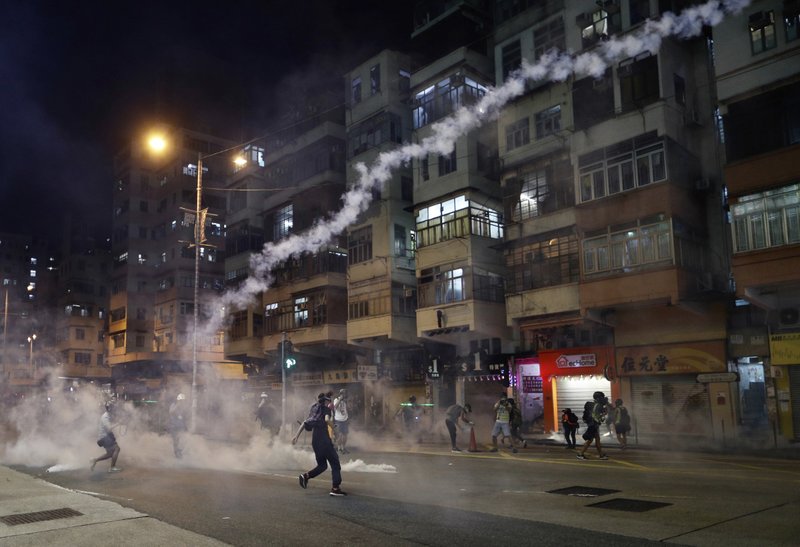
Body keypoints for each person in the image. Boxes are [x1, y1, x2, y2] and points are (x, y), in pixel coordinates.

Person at [293, 392, 346, 497]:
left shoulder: (314, 409)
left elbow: (305, 423)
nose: (329, 403)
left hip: (315, 442)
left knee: (322, 465)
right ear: (326, 401)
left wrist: (296, 436)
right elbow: (327, 419)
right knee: (335, 463)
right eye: (329, 401)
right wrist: (335, 430)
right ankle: (335, 488)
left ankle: (306, 476)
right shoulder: (325, 409)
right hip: (324, 440)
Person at [577, 391, 609, 460]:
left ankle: (601, 455)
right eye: (601, 397)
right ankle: (580, 454)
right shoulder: (598, 405)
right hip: (594, 425)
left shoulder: (595, 404)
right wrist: (604, 414)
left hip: (594, 425)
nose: (603, 398)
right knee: (590, 440)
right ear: (598, 398)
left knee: (596, 440)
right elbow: (597, 416)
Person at [91, 401, 121, 472]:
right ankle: (112, 468)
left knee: (110, 453)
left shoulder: (108, 415)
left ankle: (95, 460)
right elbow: (109, 428)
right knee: (117, 449)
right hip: (105, 438)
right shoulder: (105, 417)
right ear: (110, 408)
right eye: (113, 408)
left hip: (105, 437)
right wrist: (118, 423)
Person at [168, 393, 188, 458]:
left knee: (182, 441)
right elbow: (171, 412)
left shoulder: (184, 407)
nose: (182, 402)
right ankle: (177, 454)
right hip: (174, 427)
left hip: (181, 427)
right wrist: (177, 405)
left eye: (183, 401)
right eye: (181, 400)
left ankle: (180, 454)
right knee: (176, 441)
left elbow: (185, 417)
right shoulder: (173, 405)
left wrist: (186, 426)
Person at [333, 388, 350, 454]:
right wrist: (340, 399)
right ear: (340, 394)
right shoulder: (336, 400)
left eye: (345, 393)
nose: (345, 395)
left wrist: (347, 418)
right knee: (339, 435)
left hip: (345, 420)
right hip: (338, 420)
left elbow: (346, 410)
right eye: (343, 393)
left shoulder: (345, 401)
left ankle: (343, 447)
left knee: (345, 435)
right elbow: (335, 407)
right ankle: (339, 448)